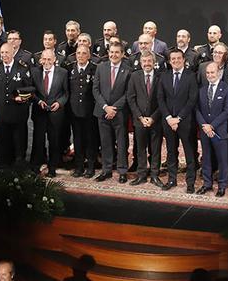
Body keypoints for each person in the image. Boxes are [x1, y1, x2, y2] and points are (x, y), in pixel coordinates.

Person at [158, 49, 199, 193]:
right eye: (173, 59)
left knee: (189, 152)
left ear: (184, 60)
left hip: (185, 121)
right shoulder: (164, 76)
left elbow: (192, 99)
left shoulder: (191, 76)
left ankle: (190, 182)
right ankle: (171, 179)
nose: (176, 61)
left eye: (178, 58)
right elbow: (160, 99)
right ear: (169, 61)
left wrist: (178, 118)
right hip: (168, 122)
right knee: (171, 152)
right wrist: (169, 118)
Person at [0, 42, 34, 168]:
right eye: (2, 53)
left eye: (6, 52)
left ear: (13, 52)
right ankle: (4, 168)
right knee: (3, 143)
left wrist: (22, 97)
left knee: (19, 143)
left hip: (18, 113)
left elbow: (30, 89)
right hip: (1, 114)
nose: (4, 55)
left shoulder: (23, 68)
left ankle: (19, 166)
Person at [92, 41, 131, 182]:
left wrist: (114, 108)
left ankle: (122, 171)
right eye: (111, 52)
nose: (113, 55)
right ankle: (106, 170)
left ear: (122, 54)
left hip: (119, 113)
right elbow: (95, 89)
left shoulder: (128, 69)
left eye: (116, 52)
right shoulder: (101, 67)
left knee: (121, 143)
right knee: (105, 142)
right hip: (102, 111)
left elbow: (128, 93)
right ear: (108, 53)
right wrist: (105, 107)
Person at [196, 61, 228, 196]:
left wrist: (212, 126)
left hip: (220, 131)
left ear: (219, 73)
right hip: (205, 131)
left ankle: (222, 185)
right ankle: (207, 184)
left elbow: (227, 111)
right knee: (206, 158)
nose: (210, 75)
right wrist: (204, 126)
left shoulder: (227, 89)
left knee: (222, 159)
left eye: (212, 72)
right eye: (207, 73)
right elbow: (197, 110)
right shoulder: (202, 90)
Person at [31, 49, 69, 176]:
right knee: (38, 141)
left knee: (54, 141)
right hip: (39, 112)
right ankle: (36, 166)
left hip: (55, 113)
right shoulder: (35, 72)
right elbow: (33, 92)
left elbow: (66, 93)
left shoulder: (63, 73)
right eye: (44, 59)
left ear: (54, 60)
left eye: (49, 59)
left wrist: (59, 103)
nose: (46, 62)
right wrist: (38, 101)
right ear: (41, 59)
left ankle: (52, 168)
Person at [127, 51, 163, 186]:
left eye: (149, 61)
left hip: (155, 120)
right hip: (139, 120)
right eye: (144, 61)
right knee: (140, 149)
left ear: (154, 63)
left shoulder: (160, 77)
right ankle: (141, 175)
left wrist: (153, 118)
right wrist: (140, 117)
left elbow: (162, 101)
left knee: (155, 149)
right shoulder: (134, 76)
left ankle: (154, 175)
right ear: (141, 63)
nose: (147, 64)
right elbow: (131, 99)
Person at [68, 45, 98, 178]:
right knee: (78, 140)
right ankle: (79, 167)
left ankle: (90, 167)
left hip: (90, 112)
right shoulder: (70, 69)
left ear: (89, 55)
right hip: (74, 112)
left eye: (83, 53)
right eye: (78, 53)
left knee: (91, 140)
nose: (80, 55)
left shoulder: (95, 69)